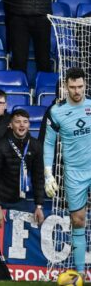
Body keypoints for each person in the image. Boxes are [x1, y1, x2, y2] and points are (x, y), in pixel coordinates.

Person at [44, 68, 91, 274]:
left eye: (80, 86)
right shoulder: (56, 111)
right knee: (77, 220)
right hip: (73, 172)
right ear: (65, 87)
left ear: (85, 85)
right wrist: (48, 174)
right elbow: (48, 144)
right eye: (72, 87)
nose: (77, 91)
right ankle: (80, 274)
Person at [0, 108, 46, 228]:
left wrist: (39, 205)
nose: (21, 125)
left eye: (25, 121)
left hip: (21, 199)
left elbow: (38, 177)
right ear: (10, 124)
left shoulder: (36, 146)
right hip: (1, 200)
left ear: (29, 125)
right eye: (17, 121)